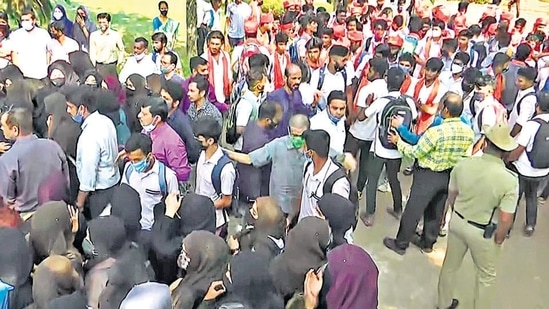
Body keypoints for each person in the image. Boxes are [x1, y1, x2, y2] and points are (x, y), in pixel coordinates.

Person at [437, 122, 518, 309]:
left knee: (450, 266)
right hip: (483, 231)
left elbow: (452, 195)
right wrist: (499, 237)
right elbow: (506, 217)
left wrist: (445, 217)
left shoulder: (464, 164)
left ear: (485, 143)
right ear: (505, 152)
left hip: (457, 221)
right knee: (486, 277)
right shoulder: (508, 180)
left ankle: (443, 304)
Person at [384, 92, 474, 255]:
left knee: (414, 209)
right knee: (436, 209)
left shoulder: (437, 132)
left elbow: (415, 152)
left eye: (441, 106)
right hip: (448, 174)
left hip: (428, 175)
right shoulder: (468, 132)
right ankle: (427, 243)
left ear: (446, 110)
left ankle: (401, 243)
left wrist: (398, 142)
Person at [361, 67, 418, 227]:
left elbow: (362, 116)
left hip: (380, 148)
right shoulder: (409, 102)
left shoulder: (381, 101)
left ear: (387, 81)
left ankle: (370, 215)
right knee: (393, 179)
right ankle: (398, 209)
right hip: (397, 148)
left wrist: (367, 104)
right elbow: (413, 119)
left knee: (372, 180)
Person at [0, 108, 68, 214]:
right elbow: (65, 181)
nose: (1, 129)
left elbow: (8, 199)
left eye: (3, 126)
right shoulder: (53, 146)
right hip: (58, 210)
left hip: (27, 215)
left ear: (15, 130)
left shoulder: (8, 159)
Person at [66, 87, 120, 219]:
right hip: (113, 183)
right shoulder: (105, 121)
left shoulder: (89, 136)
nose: (68, 111)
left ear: (82, 109)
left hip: (99, 193)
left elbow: (88, 176)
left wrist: (79, 203)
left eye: (70, 107)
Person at [506, 91, 549, 236]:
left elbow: (520, 148)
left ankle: (507, 227)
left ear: (538, 107)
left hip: (524, 169)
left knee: (515, 198)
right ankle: (530, 224)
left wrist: (508, 159)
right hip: (542, 171)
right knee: (532, 197)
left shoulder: (532, 125)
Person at [121, 133, 179, 231]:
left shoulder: (167, 177)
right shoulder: (129, 169)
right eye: (131, 160)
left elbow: (174, 207)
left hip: (154, 229)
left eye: (137, 160)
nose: (134, 164)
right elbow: (124, 195)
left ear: (149, 156)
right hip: (133, 227)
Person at [194, 118, 236, 238]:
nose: (197, 142)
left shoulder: (226, 170)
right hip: (199, 215)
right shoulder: (202, 154)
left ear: (210, 141)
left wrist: (205, 206)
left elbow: (226, 201)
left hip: (215, 222)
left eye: (200, 140)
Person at [138, 96, 191, 186]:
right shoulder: (146, 130)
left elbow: (182, 174)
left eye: (144, 114)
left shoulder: (172, 141)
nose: (139, 116)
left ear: (157, 119)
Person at [237, 101, 282, 208]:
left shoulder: (252, 123)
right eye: (276, 121)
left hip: (246, 181)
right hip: (254, 188)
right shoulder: (261, 141)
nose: (278, 124)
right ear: (267, 120)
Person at [299, 129, 350, 222]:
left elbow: (339, 216)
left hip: (319, 234)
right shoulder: (307, 167)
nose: (303, 149)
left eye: (305, 147)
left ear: (310, 153)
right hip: (302, 227)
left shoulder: (338, 183)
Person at [160, 80, 201, 164]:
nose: (161, 100)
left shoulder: (182, 124)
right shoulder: (158, 115)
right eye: (161, 96)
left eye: (166, 98)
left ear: (175, 103)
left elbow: (192, 150)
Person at [8, 8, 51, 80]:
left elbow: (49, 51)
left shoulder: (43, 34)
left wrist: (47, 65)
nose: (25, 22)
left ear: (33, 21)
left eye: (27, 20)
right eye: (23, 20)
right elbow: (14, 54)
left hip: (41, 75)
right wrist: (17, 72)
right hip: (24, 75)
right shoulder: (16, 35)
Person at [310, 90, 347, 156]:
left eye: (342, 109)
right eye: (335, 108)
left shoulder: (341, 119)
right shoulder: (316, 123)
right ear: (327, 107)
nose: (338, 112)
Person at [89, 12, 125, 77]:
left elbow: (121, 49)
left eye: (104, 22)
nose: (102, 24)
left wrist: (119, 62)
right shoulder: (94, 35)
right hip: (99, 66)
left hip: (111, 66)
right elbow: (92, 52)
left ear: (109, 23)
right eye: (100, 22)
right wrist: (94, 66)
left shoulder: (115, 35)